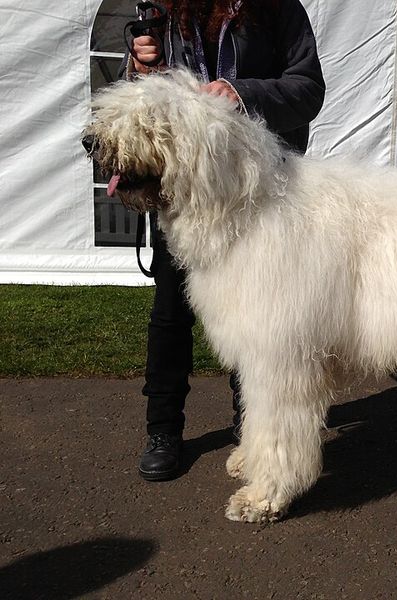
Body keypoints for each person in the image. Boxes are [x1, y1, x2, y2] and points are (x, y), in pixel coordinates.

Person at [125, 0, 325, 481]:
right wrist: (137, 67)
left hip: (258, 195)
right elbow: (138, 107)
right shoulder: (161, 10)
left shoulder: (276, 8)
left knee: (258, 320)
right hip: (183, 195)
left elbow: (307, 90)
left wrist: (241, 93)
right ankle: (163, 431)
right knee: (171, 314)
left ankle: (252, 428)